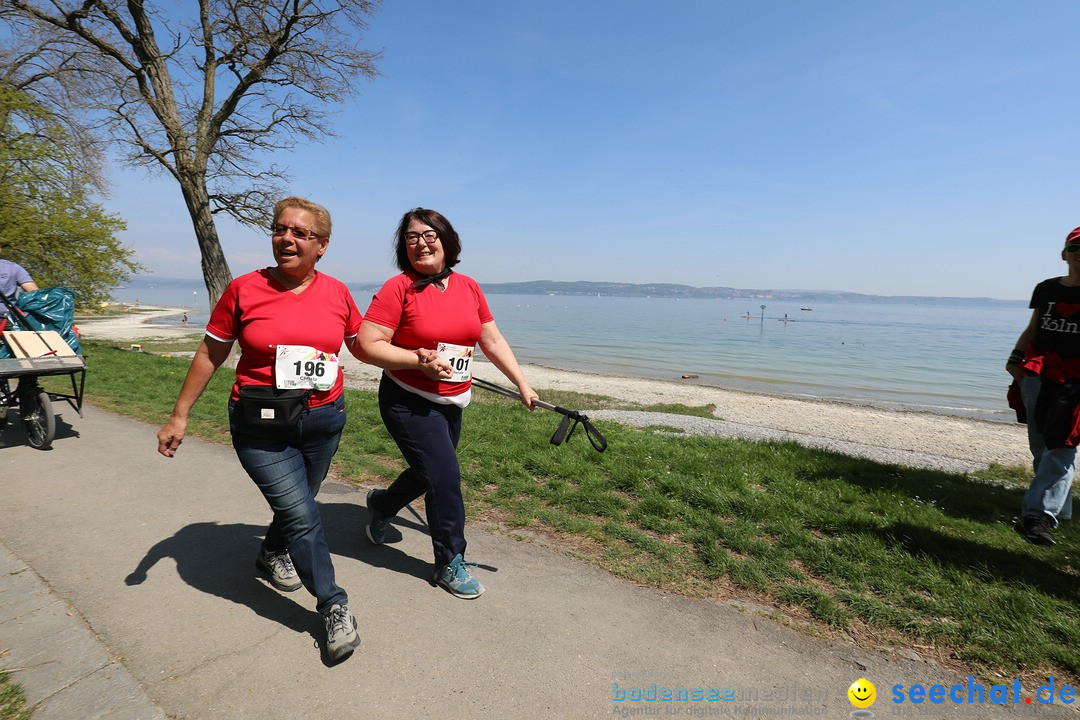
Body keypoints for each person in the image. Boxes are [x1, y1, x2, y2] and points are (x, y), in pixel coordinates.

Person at [156, 197, 364, 661]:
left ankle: (272, 553)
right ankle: (333, 603)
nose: (286, 238)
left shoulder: (337, 292)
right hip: (261, 425)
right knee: (302, 514)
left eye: (300, 233)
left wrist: (419, 357)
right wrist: (180, 414)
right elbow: (212, 352)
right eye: (279, 229)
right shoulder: (244, 289)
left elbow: (363, 346)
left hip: (324, 418)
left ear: (322, 246)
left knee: (299, 506)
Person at [358, 208, 539, 599]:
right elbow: (367, 345)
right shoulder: (397, 288)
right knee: (444, 476)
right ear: (402, 246)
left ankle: (382, 504)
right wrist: (416, 361)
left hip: (453, 400)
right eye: (411, 237)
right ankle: (449, 562)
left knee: (429, 472)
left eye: (429, 235)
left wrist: (522, 383)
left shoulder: (469, 287)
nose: (420, 243)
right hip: (407, 400)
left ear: (446, 239)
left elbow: (490, 339)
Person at [1007, 227, 1079, 546]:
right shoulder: (1047, 288)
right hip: (1038, 373)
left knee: (1063, 445)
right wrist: (1015, 359)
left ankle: (1038, 516)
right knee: (1041, 446)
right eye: (1075, 247)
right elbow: (1034, 328)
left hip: (1075, 379)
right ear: (1064, 254)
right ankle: (1059, 509)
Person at [0, 243, 39, 325]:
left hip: (6, 319)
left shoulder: (13, 268)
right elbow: (35, 293)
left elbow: (34, 292)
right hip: (8, 318)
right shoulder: (13, 267)